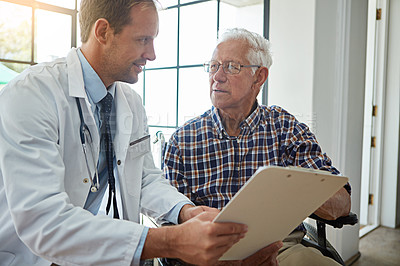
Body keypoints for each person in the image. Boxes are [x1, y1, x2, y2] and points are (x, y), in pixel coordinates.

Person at [0, 2, 268, 266]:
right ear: (103, 32)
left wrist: (186, 212)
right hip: (25, 255)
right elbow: (44, 221)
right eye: (143, 39)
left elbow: (144, 179)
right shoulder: (31, 95)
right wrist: (172, 241)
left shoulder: (129, 102)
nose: (152, 54)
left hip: (83, 252)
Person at [163, 28, 352, 266]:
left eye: (231, 66)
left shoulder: (285, 128)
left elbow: (341, 205)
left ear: (259, 77)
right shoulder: (183, 140)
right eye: (213, 66)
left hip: (280, 248)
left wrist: (293, 190)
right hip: (211, 256)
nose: (217, 76)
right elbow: (170, 225)